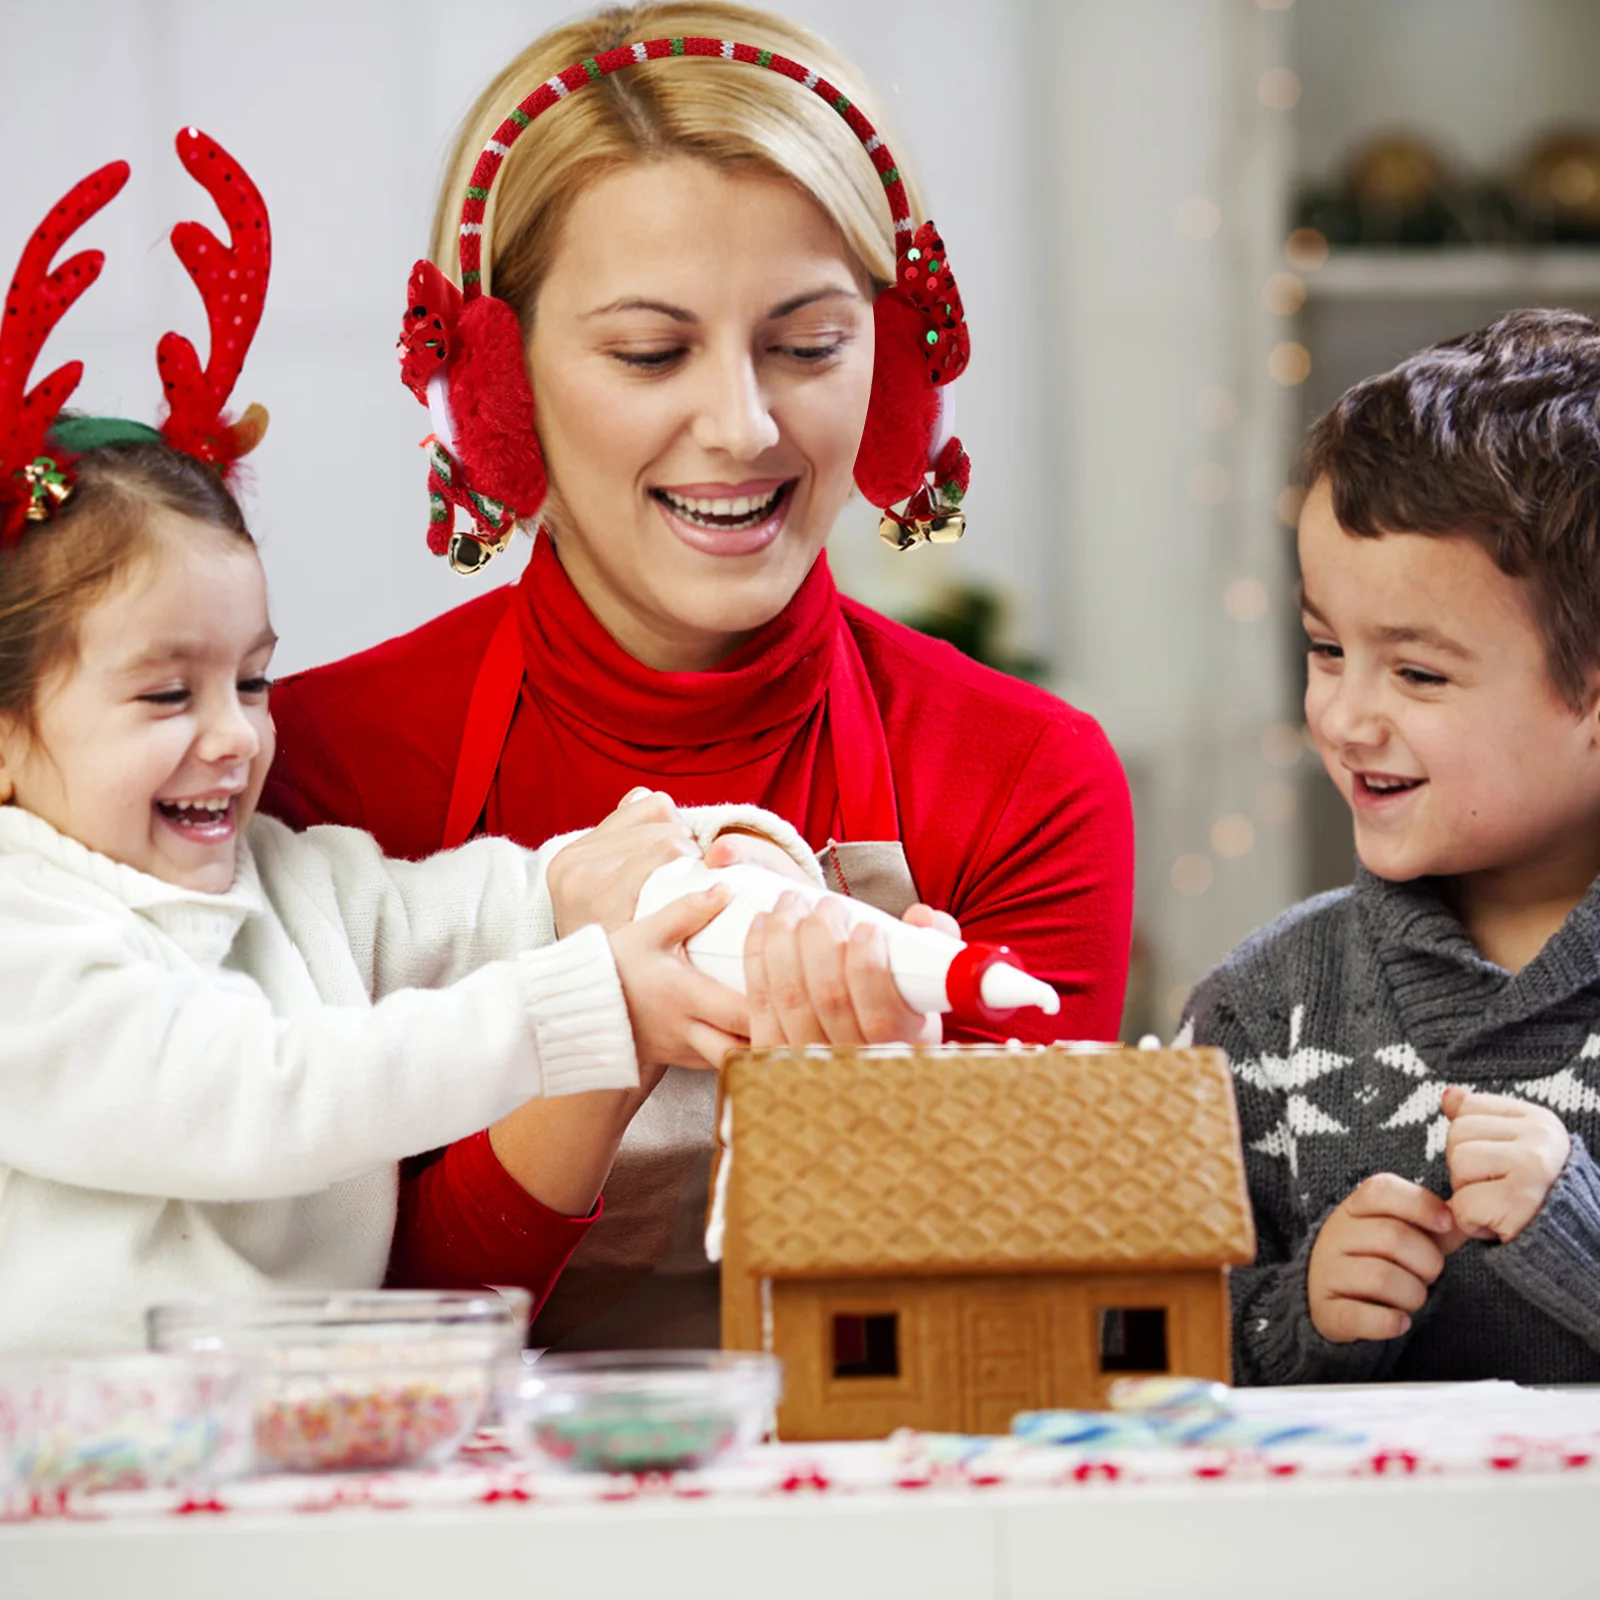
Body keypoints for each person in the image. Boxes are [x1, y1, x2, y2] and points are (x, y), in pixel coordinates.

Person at [261, 1, 1134, 1349]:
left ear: (899, 368)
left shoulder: (1028, 778)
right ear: (493, 391)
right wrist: (598, 1028)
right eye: (650, 352)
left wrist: (878, 1102)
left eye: (808, 345)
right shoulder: (311, 774)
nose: (741, 424)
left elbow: (1018, 1330)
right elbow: (331, 1324)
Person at [0, 147, 813, 1357]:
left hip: (290, 1422)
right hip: (83, 1445)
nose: (234, 734)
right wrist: (581, 1004)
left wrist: (648, 859)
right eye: (168, 694)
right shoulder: (21, 931)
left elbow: (459, 907)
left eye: (252, 680)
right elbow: (262, 1091)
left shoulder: (285, 878)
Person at [1180, 308, 1600, 1386]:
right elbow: (1138, 1330)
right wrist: (1300, 1315)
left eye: (1417, 673)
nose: (1345, 717)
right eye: (1326, 649)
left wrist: (1575, 1232)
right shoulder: (1258, 1012)